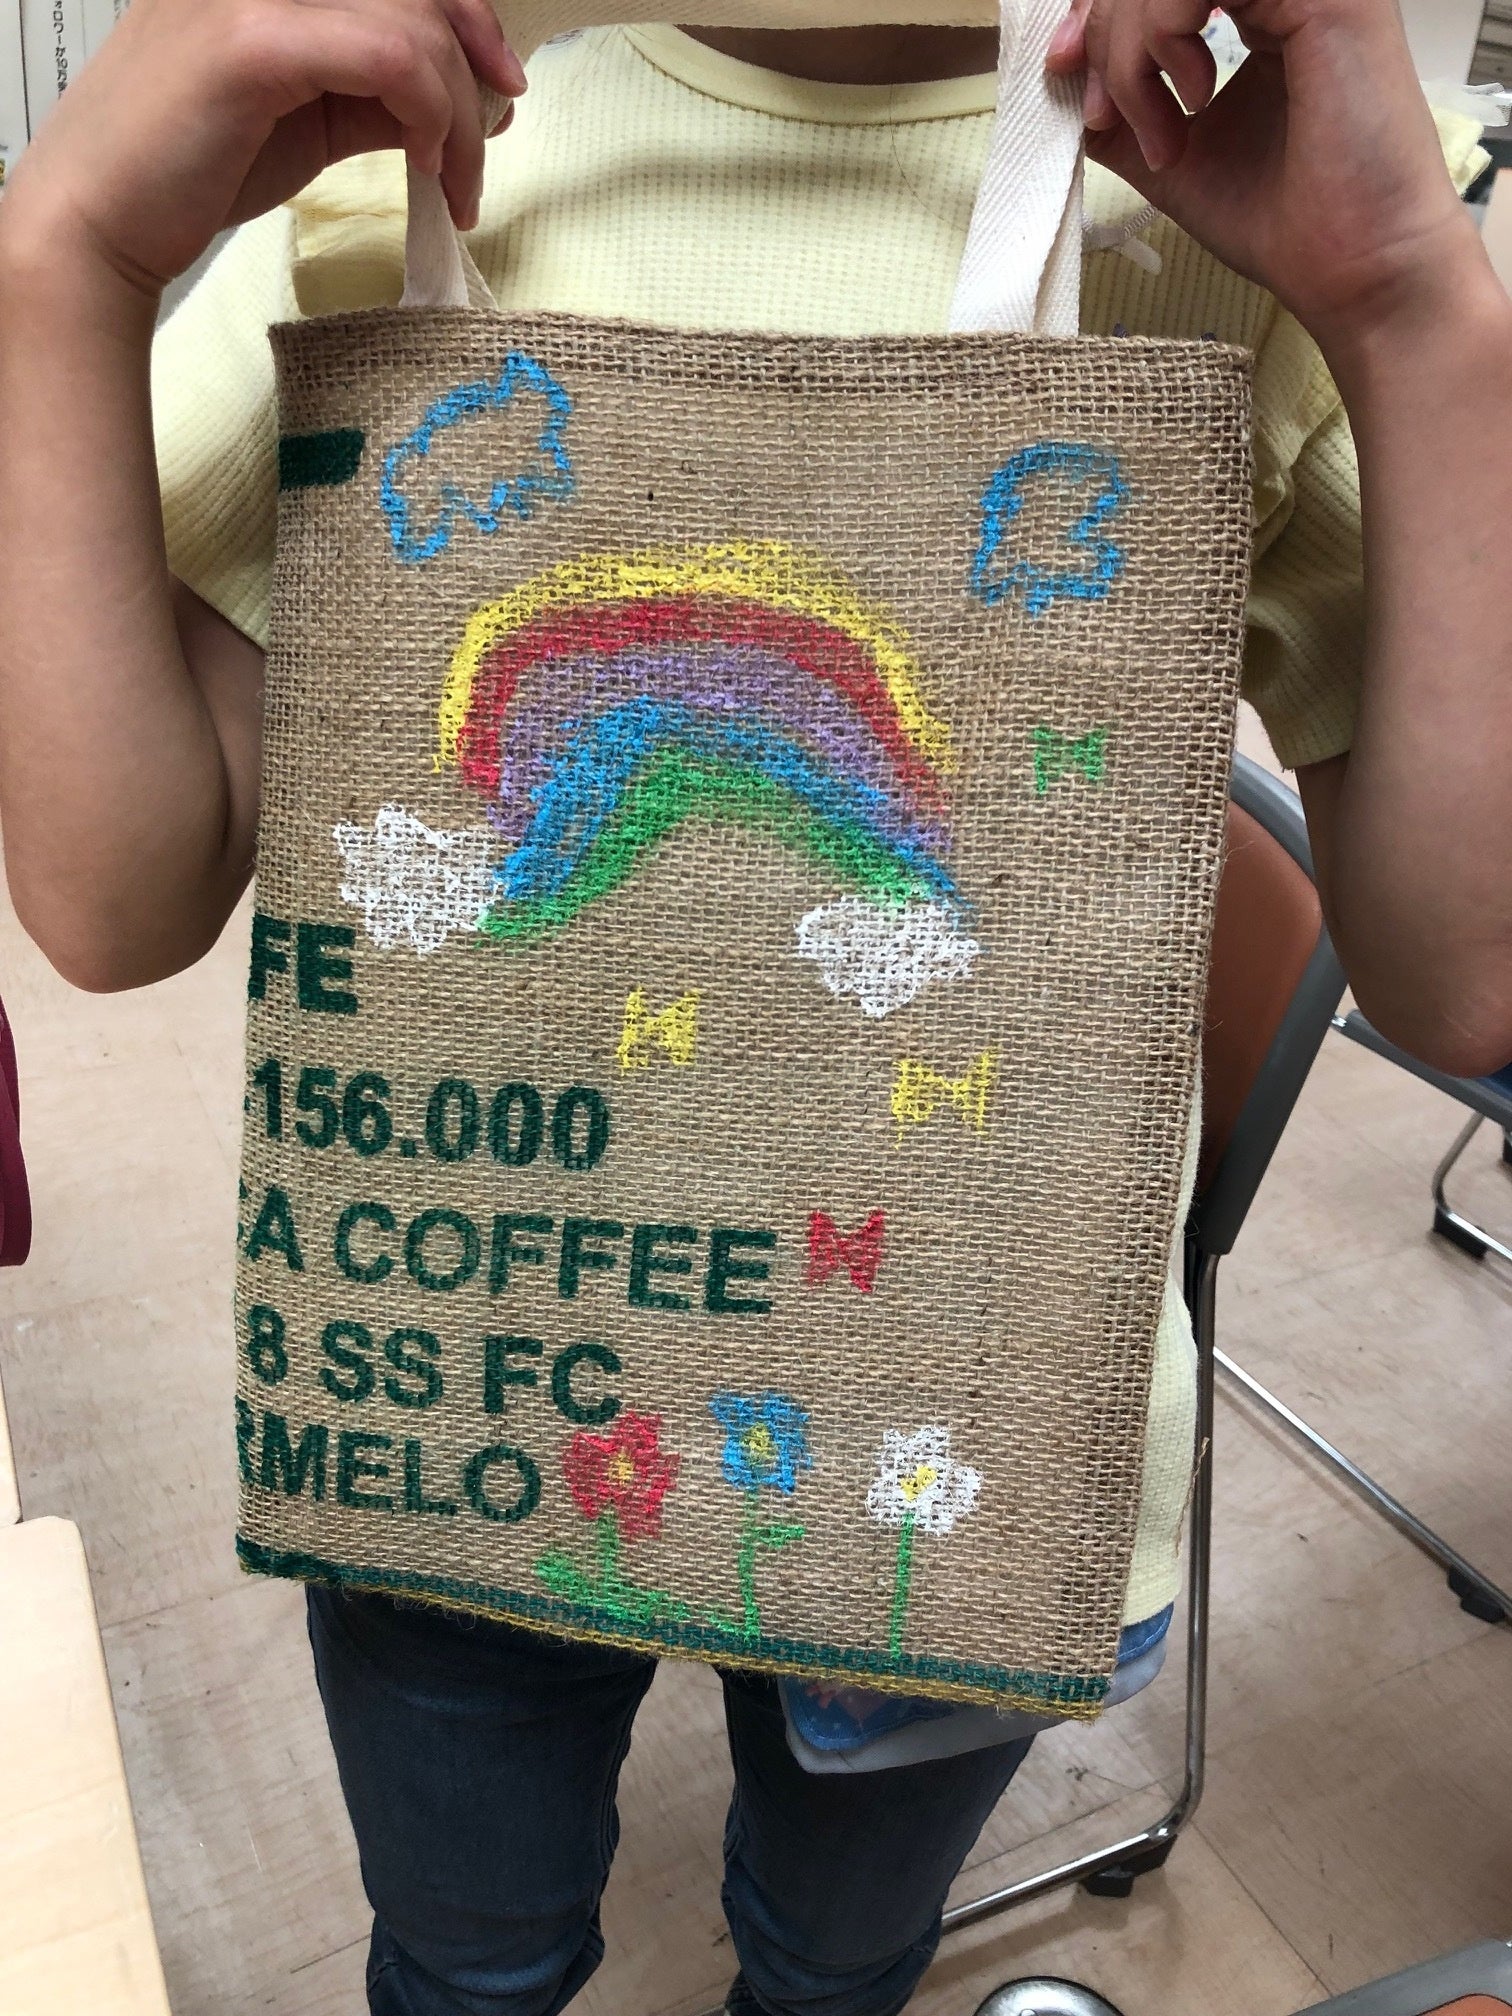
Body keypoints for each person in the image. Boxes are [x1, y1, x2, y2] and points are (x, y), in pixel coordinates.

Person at [0, 3, 1507, 2013]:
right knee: (473, 1963)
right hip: (469, 1401)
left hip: (953, 1446)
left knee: (830, 1962)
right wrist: (67, 259)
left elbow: (1462, 974)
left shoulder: (1237, 235)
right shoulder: (373, 182)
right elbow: (108, 903)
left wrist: (1413, 309)